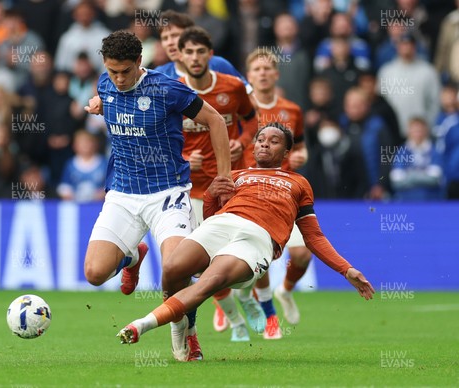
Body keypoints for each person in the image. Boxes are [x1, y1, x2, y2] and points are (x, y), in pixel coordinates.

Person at [116, 123, 375, 350]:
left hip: (258, 238)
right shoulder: (237, 176)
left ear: (286, 153)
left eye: (274, 142)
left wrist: (346, 269)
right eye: (261, 140)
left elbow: (313, 236)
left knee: (207, 283)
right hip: (222, 224)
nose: (265, 144)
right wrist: (210, 196)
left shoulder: (298, 183)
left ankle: (143, 324)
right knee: (173, 267)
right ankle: (186, 332)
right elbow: (211, 217)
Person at [83, 30, 231, 362]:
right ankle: (133, 257)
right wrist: (99, 103)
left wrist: (224, 176)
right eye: (112, 71)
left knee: (176, 270)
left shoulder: (167, 89)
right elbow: (109, 99)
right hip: (122, 194)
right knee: (94, 274)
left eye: (125, 71)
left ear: (139, 61)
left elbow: (215, 120)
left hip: (168, 193)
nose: (118, 79)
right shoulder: (104, 85)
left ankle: (186, 333)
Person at [214, 47, 310, 340]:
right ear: (249, 76)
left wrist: (300, 157)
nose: (263, 73)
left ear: (276, 74)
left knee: (302, 255)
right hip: (247, 195)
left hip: (282, 192)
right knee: (257, 255)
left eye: (268, 69)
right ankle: (261, 312)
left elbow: (301, 145)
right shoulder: (237, 107)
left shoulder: (292, 110)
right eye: (257, 69)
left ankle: (286, 290)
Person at [177, 26, 264, 343]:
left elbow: (253, 119)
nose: (195, 57)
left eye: (201, 51)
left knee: (243, 251)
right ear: (180, 56)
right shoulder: (174, 91)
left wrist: (242, 140)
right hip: (196, 190)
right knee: (204, 265)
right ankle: (235, 321)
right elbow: (162, 139)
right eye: (189, 52)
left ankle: (246, 297)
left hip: (233, 183)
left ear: (210, 55)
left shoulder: (231, 86)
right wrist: (186, 158)